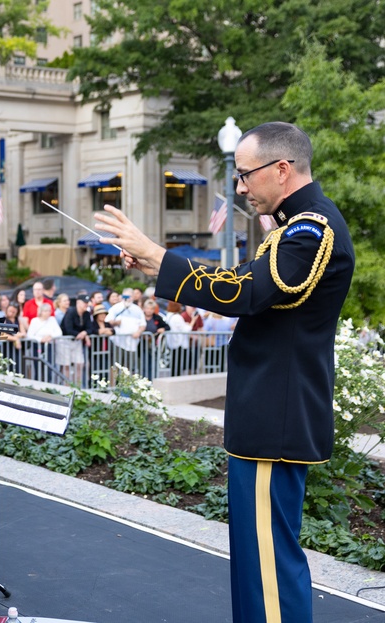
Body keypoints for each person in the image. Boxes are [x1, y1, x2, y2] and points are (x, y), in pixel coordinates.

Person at [95, 121, 354, 623]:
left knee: (269, 572)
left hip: (274, 419)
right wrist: (155, 269)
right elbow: (241, 281)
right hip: (268, 417)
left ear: (282, 170)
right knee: (257, 567)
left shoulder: (311, 230)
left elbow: (246, 294)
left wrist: (158, 252)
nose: (239, 187)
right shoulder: (295, 225)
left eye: (244, 175)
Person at [104, 288, 145, 376]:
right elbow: (107, 321)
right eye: (125, 296)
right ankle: (113, 388)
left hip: (132, 344)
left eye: (129, 296)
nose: (127, 299)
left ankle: (124, 388)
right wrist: (115, 322)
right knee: (115, 366)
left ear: (133, 297)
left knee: (128, 367)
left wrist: (138, 332)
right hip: (117, 343)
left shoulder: (137, 309)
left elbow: (143, 324)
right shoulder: (116, 308)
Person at [58, 294, 95, 385]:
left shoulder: (86, 314)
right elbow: (68, 329)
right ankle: (65, 387)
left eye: (87, 303)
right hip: (65, 341)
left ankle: (77, 387)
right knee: (66, 366)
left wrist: (84, 333)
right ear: (78, 303)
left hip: (77, 341)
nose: (86, 305)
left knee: (79, 364)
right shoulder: (70, 312)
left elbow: (90, 328)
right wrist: (80, 334)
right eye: (84, 303)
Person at [138, 298, 169, 380]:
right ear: (144, 309)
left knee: (153, 364)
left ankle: (153, 381)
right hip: (142, 345)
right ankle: (144, 381)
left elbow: (167, 326)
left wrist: (163, 329)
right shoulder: (139, 317)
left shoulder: (157, 318)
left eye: (151, 309)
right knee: (144, 364)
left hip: (153, 345)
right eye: (147, 308)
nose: (149, 310)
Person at [163, 300, 192, 377]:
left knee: (174, 362)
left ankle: (174, 376)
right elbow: (185, 329)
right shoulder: (177, 317)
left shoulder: (168, 315)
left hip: (172, 342)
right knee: (178, 363)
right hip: (179, 343)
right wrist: (192, 322)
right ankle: (176, 377)